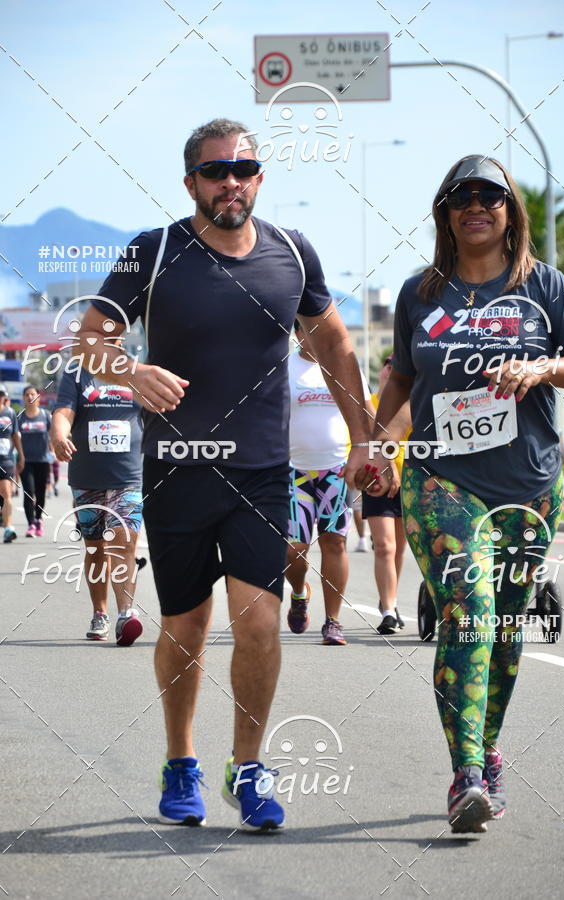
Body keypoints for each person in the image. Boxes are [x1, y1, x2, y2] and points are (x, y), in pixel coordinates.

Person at [75, 118, 373, 831]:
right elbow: (90, 339)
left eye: (244, 168)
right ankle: (181, 762)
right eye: (216, 171)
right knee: (184, 624)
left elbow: (332, 343)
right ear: (191, 183)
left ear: (260, 177)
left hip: (263, 473)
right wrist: (133, 369)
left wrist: (365, 439)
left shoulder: (291, 255)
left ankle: (248, 766)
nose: (231, 181)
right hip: (176, 471)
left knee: (260, 619)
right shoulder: (154, 253)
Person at [364, 155, 564, 833]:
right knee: (469, 610)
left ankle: (487, 747)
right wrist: (379, 445)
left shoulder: (544, 288)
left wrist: (542, 366)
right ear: (445, 213)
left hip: (527, 485)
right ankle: (466, 772)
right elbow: (404, 382)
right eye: (460, 196)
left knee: (506, 630)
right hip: (441, 479)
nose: (476, 204)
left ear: (509, 211)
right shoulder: (420, 293)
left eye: (489, 195)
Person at [286, 319, 372, 646]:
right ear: (297, 333)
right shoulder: (284, 368)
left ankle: (333, 621)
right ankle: (298, 591)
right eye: (309, 330)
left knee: (334, 541)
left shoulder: (345, 367)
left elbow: (366, 414)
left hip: (336, 469)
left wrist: (374, 455)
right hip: (293, 472)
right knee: (294, 550)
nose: (316, 337)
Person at [52, 363, 144, 645]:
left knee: (124, 540)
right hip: (86, 477)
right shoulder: (76, 373)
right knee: (95, 548)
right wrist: (58, 434)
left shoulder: (137, 371)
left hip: (128, 475)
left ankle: (125, 614)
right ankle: (100, 613)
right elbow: (64, 411)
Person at [361, 356, 408, 635]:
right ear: (382, 372)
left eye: (396, 363)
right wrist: (389, 469)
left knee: (399, 549)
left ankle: (391, 598)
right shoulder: (370, 405)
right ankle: (388, 611)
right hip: (377, 481)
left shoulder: (411, 404)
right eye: (387, 363)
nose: (391, 366)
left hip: (409, 483)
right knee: (385, 546)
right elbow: (372, 442)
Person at [20, 386, 51, 537]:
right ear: (23, 398)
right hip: (26, 461)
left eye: (33, 394)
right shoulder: (20, 417)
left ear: (38, 397)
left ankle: (38, 519)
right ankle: (31, 524)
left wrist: (55, 452)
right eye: (27, 394)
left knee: (41, 493)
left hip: (43, 460)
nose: (30, 396)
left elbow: (53, 434)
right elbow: (14, 438)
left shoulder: (45, 416)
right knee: (28, 493)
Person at [0, 385, 25, 542]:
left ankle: (8, 527)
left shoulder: (10, 414)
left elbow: (15, 436)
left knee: (6, 493)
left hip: (5, 459)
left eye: (1, 395)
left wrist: (21, 456)